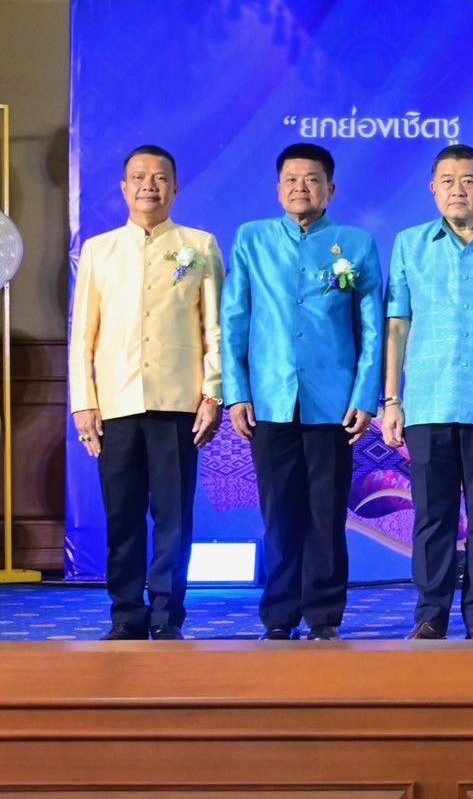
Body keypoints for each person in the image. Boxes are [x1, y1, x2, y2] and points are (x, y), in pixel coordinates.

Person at [222, 143, 383, 641]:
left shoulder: (355, 244)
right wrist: (236, 391)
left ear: (330, 189)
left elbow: (371, 326)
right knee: (278, 512)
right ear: (278, 188)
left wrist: (364, 396)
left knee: (328, 512)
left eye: (312, 179)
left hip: (332, 402)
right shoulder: (252, 239)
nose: (300, 187)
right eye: (291, 179)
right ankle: (278, 614)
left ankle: (324, 615)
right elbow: (234, 320)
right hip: (269, 397)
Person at [69, 145, 224, 641]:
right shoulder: (98, 249)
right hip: (115, 403)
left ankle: (166, 613)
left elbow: (214, 329)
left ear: (175, 187)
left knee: (174, 517)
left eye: (159, 177)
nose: (148, 186)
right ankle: (125, 613)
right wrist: (84, 402)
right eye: (138, 177)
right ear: (123, 188)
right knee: (123, 514)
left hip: (178, 403)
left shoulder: (198, 245)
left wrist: (213, 393)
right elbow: (83, 336)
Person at [382, 144, 473, 641]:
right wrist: (391, 400)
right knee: (432, 518)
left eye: (469, 180)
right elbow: (397, 325)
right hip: (428, 400)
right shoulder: (409, 244)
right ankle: (430, 614)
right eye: (447, 180)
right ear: (432, 189)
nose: (458, 189)